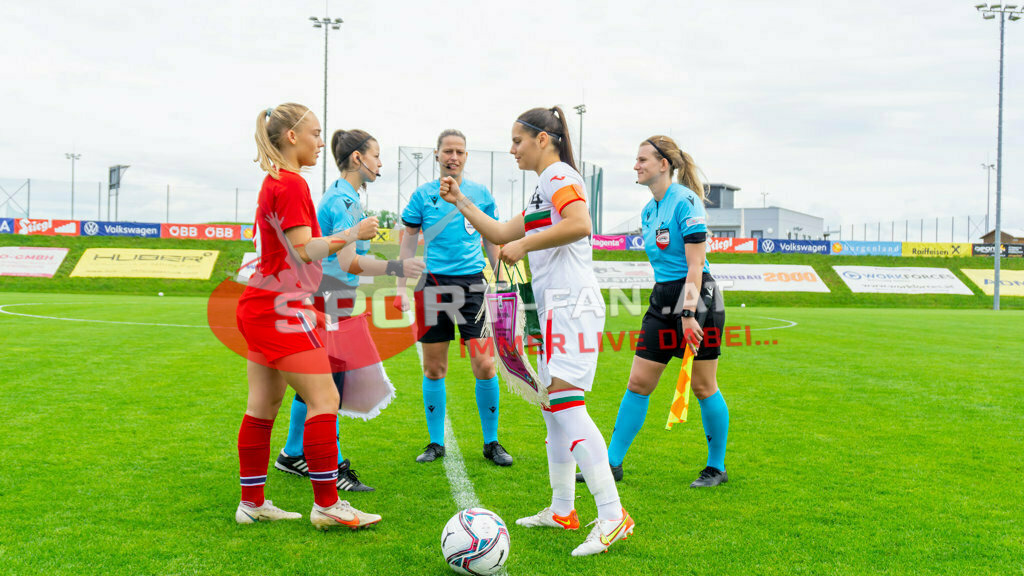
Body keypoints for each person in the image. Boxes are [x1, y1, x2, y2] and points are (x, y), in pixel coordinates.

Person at [438, 107, 633, 557]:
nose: (512, 149)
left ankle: (612, 515)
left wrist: (524, 244)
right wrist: (462, 203)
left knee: (566, 405)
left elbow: (580, 224)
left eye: (517, 141)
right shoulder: (541, 188)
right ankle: (563, 509)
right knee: (552, 409)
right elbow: (503, 231)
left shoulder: (558, 174)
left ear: (543, 139)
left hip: (572, 306)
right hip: (552, 309)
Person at [234, 102, 381, 529]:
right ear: (292, 137)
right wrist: (353, 233)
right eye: (315, 134)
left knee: (264, 405)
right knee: (325, 399)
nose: (321, 142)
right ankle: (328, 505)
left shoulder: (274, 179)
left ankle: (252, 503)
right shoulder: (293, 183)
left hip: (261, 304)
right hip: (281, 307)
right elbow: (305, 250)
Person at [273, 129, 425, 490]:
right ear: (357, 158)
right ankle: (331, 464)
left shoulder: (345, 197)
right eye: (376, 155)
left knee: (321, 380)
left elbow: (349, 260)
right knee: (330, 384)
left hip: (330, 292)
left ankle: (293, 453)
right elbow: (350, 262)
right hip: (329, 294)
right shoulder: (344, 202)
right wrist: (395, 268)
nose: (380, 163)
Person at [583, 135, 728, 488]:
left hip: (698, 299)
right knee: (638, 382)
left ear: (664, 164)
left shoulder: (686, 201)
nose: (636, 165)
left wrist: (689, 313)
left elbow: (695, 266)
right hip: (663, 297)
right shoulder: (649, 210)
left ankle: (716, 467)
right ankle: (611, 464)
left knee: (703, 386)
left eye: (642, 159)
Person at [395, 129, 512, 466]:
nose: (454, 157)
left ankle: (492, 443)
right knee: (434, 368)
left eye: (460, 151)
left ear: (465, 156)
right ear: (437, 155)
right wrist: (402, 287)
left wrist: (500, 276)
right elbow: (408, 241)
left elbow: (492, 237)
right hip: (431, 286)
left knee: (485, 364)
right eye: (448, 151)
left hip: (473, 285)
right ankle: (435, 443)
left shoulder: (479, 193)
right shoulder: (422, 195)